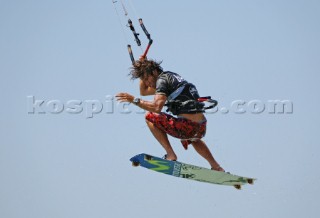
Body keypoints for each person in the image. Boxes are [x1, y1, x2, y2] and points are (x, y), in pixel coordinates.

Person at [116, 59, 224, 172]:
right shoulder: (171, 78)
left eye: (146, 78)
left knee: (150, 116)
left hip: (187, 128)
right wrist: (141, 69)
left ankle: (170, 154)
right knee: (194, 139)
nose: (147, 83)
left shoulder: (162, 81)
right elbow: (144, 91)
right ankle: (217, 167)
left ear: (154, 72)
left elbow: (156, 107)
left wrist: (134, 100)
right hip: (201, 127)